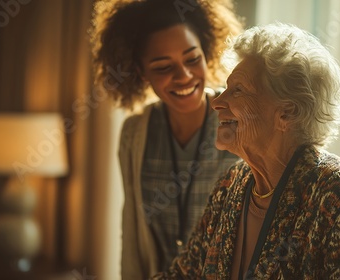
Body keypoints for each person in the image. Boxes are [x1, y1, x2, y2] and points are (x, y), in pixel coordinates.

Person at [152, 22, 340, 279]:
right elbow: (184, 274)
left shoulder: (339, 195)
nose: (217, 102)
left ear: (286, 113)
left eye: (237, 90)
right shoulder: (231, 185)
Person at [90, 0, 243, 278]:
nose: (184, 76)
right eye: (162, 67)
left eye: (192, 59)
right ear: (141, 72)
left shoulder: (240, 121)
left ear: (207, 52)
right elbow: (133, 234)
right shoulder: (134, 134)